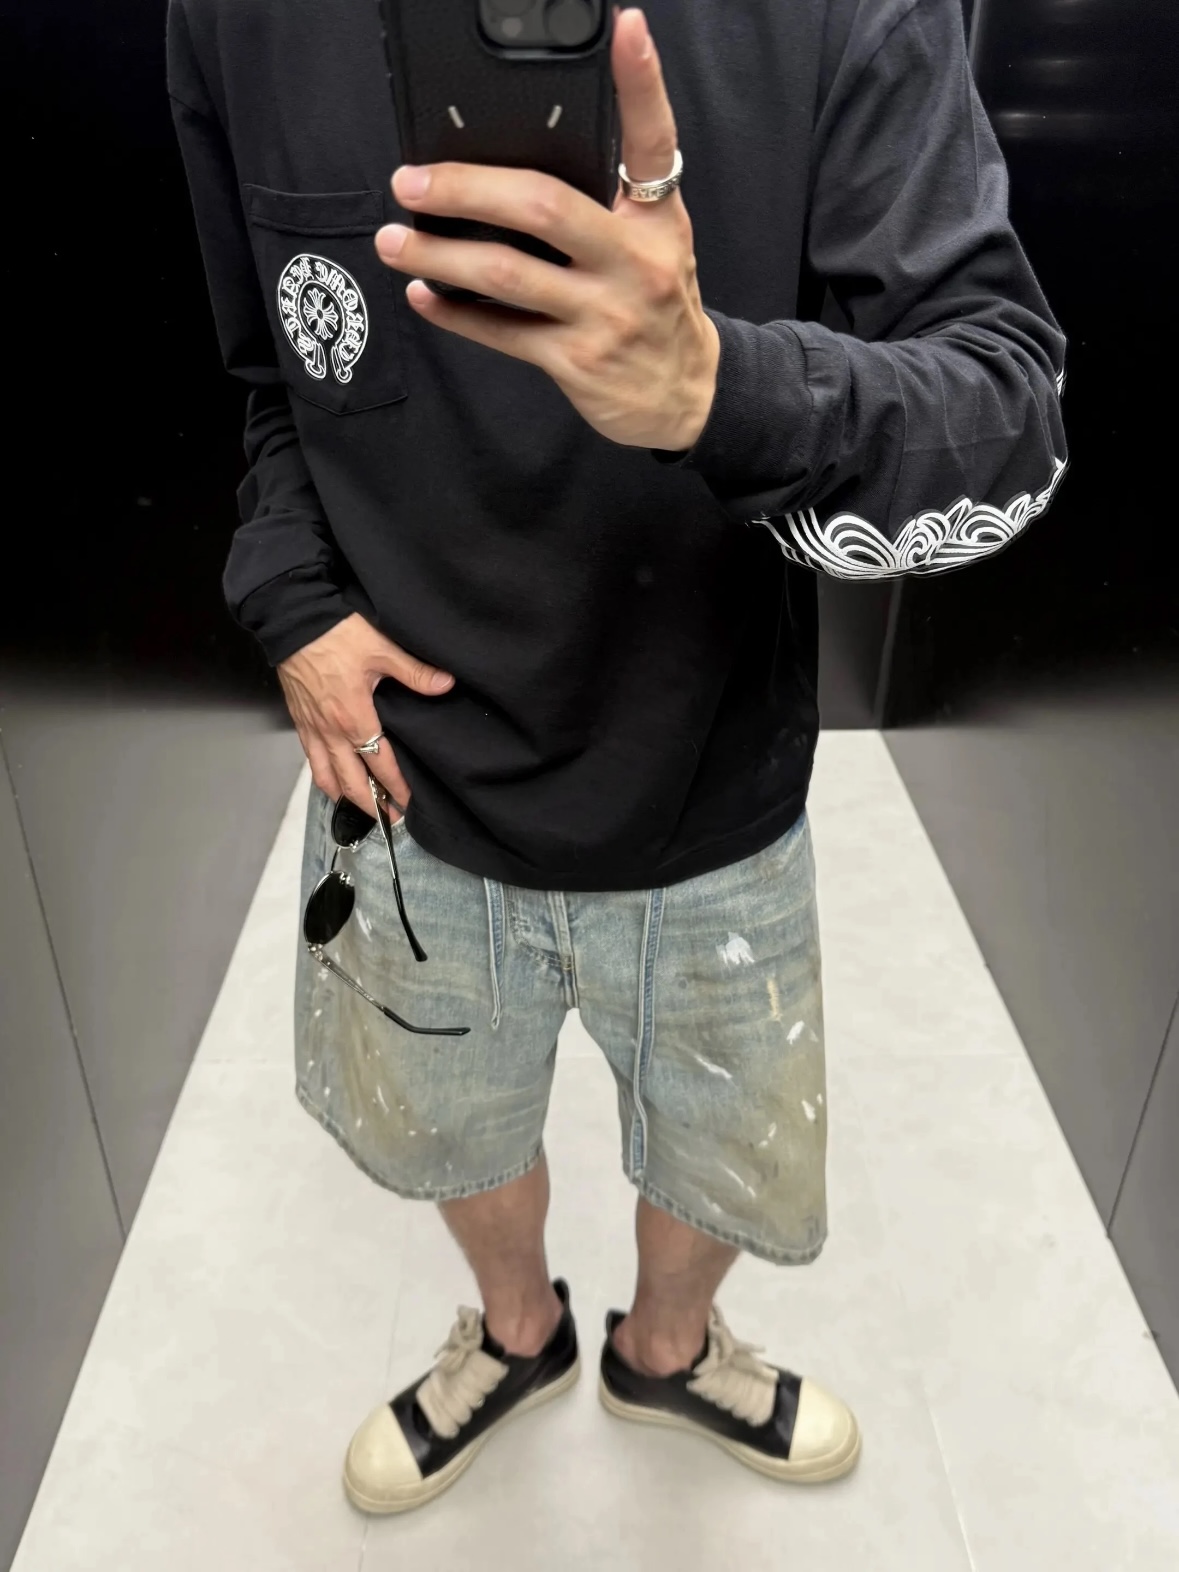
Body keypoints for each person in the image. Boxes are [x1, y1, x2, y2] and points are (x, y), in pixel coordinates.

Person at [167, 0, 1066, 1514]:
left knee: (719, 1154)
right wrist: (293, 602)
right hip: (405, 784)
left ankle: (668, 1349)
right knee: (453, 1132)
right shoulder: (233, 17)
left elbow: (1008, 414)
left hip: (713, 777)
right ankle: (518, 1335)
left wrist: (718, 390)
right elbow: (267, 375)